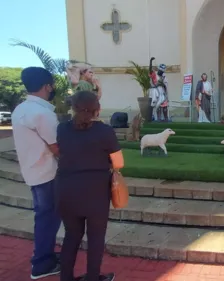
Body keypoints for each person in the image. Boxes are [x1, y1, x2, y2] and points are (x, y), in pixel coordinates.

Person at [55, 91, 124, 281]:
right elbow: (119, 163)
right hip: (95, 191)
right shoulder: (104, 131)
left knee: (71, 236)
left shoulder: (62, 128)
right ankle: (93, 278)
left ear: (73, 107)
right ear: (98, 109)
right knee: (95, 238)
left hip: (66, 189)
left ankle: (66, 277)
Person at [12, 67, 62, 280]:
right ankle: (41, 263)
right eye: (51, 86)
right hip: (47, 172)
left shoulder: (20, 109)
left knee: (44, 216)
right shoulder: (42, 113)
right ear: (47, 86)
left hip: (33, 170)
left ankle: (46, 256)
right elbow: (57, 146)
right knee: (48, 218)